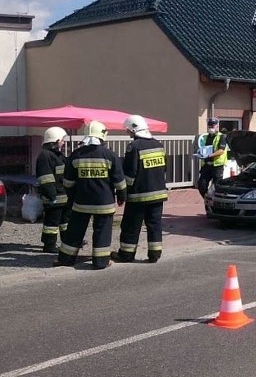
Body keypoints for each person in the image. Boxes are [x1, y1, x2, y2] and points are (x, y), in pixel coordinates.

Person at [56, 121, 126, 269]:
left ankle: (66, 259)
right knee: (102, 230)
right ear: (102, 136)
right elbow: (119, 181)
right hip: (104, 203)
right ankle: (101, 261)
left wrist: (73, 197)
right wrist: (121, 197)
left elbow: (68, 182)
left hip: (81, 202)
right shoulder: (110, 155)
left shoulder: (75, 155)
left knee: (74, 230)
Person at [110, 115, 169, 263]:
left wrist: (122, 193)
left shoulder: (134, 147)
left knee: (131, 225)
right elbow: (164, 169)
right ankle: (154, 254)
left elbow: (129, 175)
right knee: (154, 224)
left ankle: (126, 254)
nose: (127, 133)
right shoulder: (159, 145)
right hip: (158, 194)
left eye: (128, 130)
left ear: (134, 129)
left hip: (138, 196)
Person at [35, 126, 71, 253]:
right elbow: (45, 178)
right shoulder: (45, 156)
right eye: (61, 140)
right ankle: (49, 245)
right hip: (54, 198)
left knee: (65, 222)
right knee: (51, 224)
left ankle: (68, 242)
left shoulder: (58, 155)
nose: (63, 143)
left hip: (63, 197)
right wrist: (52, 196)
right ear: (55, 140)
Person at [195, 117, 228, 199]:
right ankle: (208, 200)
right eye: (209, 126)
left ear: (217, 126)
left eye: (212, 126)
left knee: (216, 188)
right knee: (201, 185)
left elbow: (221, 151)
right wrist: (200, 153)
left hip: (217, 166)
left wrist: (210, 155)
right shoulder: (206, 137)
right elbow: (204, 148)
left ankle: (216, 204)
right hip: (207, 165)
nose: (211, 128)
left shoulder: (222, 137)